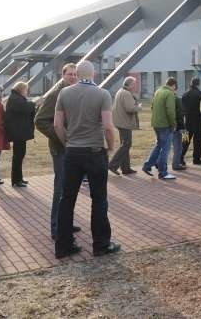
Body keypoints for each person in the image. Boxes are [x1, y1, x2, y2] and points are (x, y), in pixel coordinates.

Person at [53, 60, 119, 258]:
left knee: (67, 199)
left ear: (77, 73)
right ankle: (100, 244)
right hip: (94, 151)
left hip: (73, 152)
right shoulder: (102, 94)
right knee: (98, 198)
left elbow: (57, 125)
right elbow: (108, 126)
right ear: (94, 74)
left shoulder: (64, 93)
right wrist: (111, 146)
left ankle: (63, 246)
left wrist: (68, 142)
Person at [34, 63, 80, 240]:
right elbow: (40, 121)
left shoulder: (74, 93)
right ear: (63, 76)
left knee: (70, 188)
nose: (73, 77)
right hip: (60, 150)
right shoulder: (55, 95)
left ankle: (66, 223)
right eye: (70, 75)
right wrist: (62, 137)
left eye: (76, 75)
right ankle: (56, 227)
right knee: (60, 189)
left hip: (74, 149)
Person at [143, 77, 178, 180]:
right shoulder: (170, 93)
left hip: (156, 124)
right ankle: (163, 172)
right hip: (165, 125)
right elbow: (170, 111)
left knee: (159, 146)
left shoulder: (158, 91)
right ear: (174, 86)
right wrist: (173, 124)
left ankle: (147, 165)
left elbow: (152, 106)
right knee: (165, 149)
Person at [4, 81, 36, 187]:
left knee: (19, 156)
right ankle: (16, 180)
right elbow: (26, 107)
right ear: (21, 90)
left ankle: (19, 178)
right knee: (18, 157)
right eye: (26, 90)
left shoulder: (16, 98)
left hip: (19, 132)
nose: (27, 92)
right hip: (18, 133)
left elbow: (26, 108)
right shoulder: (16, 99)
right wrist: (35, 103)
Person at [109, 76, 140, 176]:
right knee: (127, 144)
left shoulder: (120, 91)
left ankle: (125, 168)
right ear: (130, 85)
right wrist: (138, 107)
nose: (135, 86)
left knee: (125, 144)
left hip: (120, 121)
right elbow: (130, 108)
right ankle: (113, 165)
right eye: (134, 84)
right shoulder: (126, 93)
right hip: (124, 122)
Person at [180, 77, 201, 166]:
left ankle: (180, 157)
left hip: (186, 121)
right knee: (198, 141)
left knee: (184, 140)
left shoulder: (185, 94)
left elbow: (181, 108)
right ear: (198, 84)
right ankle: (196, 159)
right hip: (197, 121)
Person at [171, 89, 188, 172]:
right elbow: (181, 115)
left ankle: (177, 162)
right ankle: (176, 164)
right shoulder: (177, 100)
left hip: (169, 126)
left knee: (172, 146)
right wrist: (183, 128)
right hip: (179, 127)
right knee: (179, 146)